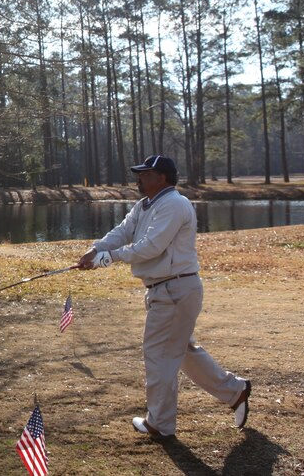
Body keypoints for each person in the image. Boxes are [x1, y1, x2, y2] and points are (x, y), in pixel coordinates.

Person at [76, 155, 251, 439]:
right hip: (167, 289)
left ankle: (160, 423)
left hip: (175, 289)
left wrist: (109, 258)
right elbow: (123, 231)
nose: (140, 179)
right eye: (140, 174)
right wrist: (96, 249)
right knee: (180, 352)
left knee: (159, 356)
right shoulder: (144, 205)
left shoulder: (174, 204)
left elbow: (151, 247)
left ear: (163, 177)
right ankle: (236, 390)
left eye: (146, 174)